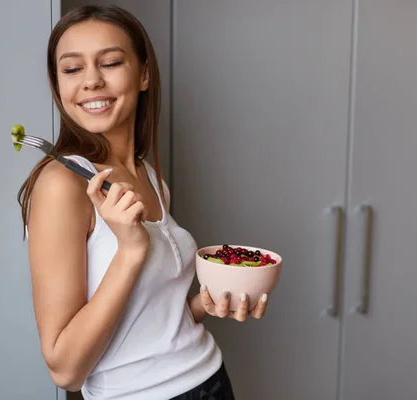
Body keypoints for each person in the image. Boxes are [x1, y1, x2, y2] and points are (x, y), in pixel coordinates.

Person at [17, 5, 269, 399]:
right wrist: (131, 250)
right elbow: (65, 369)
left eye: (111, 62)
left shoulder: (148, 175)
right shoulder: (62, 184)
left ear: (144, 73)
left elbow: (144, 325)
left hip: (210, 378)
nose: (91, 81)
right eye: (72, 69)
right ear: (58, 84)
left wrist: (202, 305)